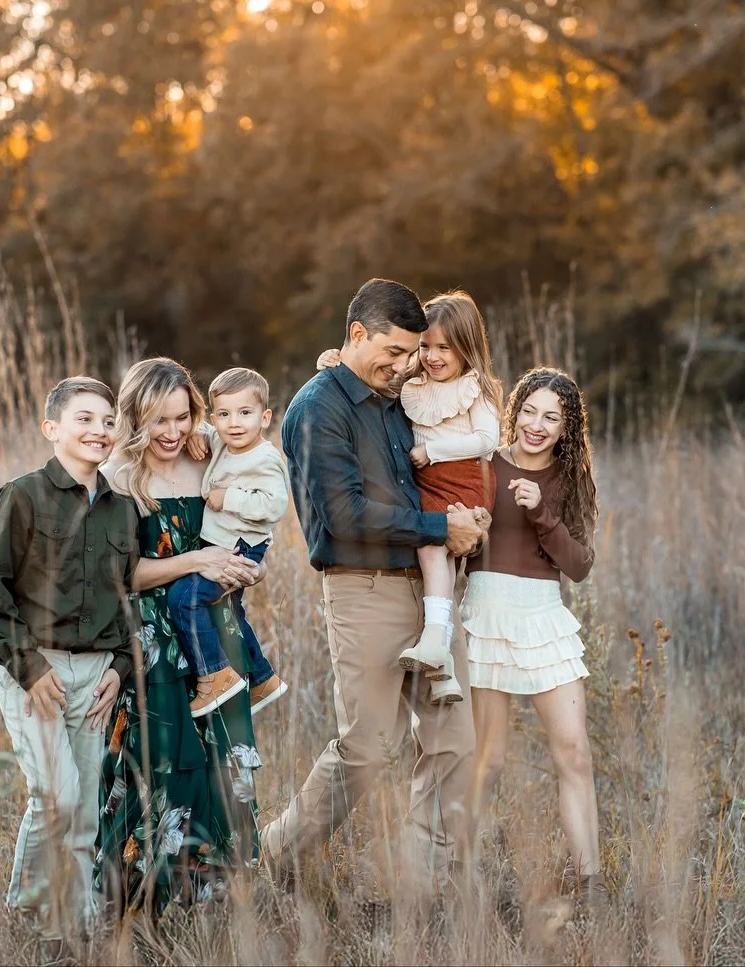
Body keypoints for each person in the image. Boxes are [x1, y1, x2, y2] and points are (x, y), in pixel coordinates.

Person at [262, 278, 486, 888]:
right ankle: (269, 863)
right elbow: (343, 517)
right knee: (370, 748)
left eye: (411, 353)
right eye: (392, 352)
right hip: (364, 589)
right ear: (355, 334)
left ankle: (424, 885)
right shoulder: (317, 408)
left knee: (453, 741)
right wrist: (441, 524)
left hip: (430, 591)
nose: (403, 365)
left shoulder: (398, 397)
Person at [95, 357, 266, 914]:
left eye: (182, 417)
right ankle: (141, 907)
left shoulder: (210, 458)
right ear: (136, 419)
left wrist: (245, 566)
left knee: (225, 764)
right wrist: (198, 559)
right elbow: (124, 574)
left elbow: (251, 519)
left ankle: (213, 907)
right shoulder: (119, 478)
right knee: (165, 764)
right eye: (159, 421)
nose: (172, 432)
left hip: (215, 636)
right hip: (153, 643)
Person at [0, 376, 138, 936]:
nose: (99, 430)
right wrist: (30, 670)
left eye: (108, 421)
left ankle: (69, 922)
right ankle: (26, 907)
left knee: (85, 807)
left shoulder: (122, 510)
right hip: (35, 670)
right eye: (85, 419)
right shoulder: (20, 498)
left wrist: (119, 668)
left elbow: (126, 598)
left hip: (96, 676)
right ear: (52, 428)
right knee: (56, 796)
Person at [315, 290, 502, 704]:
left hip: (457, 480)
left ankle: (436, 642)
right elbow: (369, 378)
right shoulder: (412, 386)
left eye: (443, 348)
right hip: (423, 495)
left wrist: (433, 453)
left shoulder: (474, 388)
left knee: (437, 554)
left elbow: (489, 439)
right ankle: (443, 669)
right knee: (438, 558)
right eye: (425, 348)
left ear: (467, 349)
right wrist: (333, 360)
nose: (430, 357)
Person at [464, 367, 603, 905]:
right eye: (529, 411)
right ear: (514, 411)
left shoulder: (570, 482)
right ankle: (462, 874)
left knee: (574, 751)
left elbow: (580, 565)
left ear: (566, 429)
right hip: (486, 613)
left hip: (543, 616)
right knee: (488, 759)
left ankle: (591, 884)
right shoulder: (485, 465)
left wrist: (541, 512)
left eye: (552, 417)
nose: (537, 425)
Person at [167, 366, 291, 718]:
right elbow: (202, 429)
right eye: (224, 414)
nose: (234, 423)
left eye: (245, 413)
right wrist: (195, 432)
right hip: (222, 542)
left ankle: (213, 677)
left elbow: (274, 505)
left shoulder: (264, 458)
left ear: (265, 417)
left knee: (184, 600)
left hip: (240, 547)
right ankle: (262, 678)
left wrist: (230, 498)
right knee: (229, 612)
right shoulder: (223, 439)